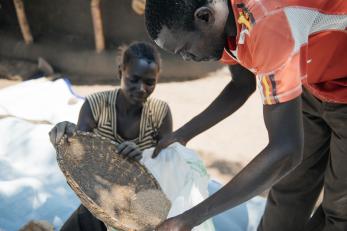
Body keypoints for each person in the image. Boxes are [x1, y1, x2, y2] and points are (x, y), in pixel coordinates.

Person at [144, 0, 347, 231]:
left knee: (340, 211)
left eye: (185, 49)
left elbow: (286, 149)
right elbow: (242, 84)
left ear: (204, 17)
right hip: (313, 84)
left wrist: (188, 219)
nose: (187, 58)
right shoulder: (225, 22)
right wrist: (182, 134)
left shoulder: (268, 23)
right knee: (288, 191)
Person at [49, 41, 173, 231]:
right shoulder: (95, 105)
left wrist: (143, 156)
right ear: (120, 72)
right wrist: (65, 138)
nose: (141, 89)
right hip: (101, 197)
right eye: (133, 79)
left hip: (143, 204)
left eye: (150, 82)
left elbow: (169, 161)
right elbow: (80, 157)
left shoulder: (160, 113)